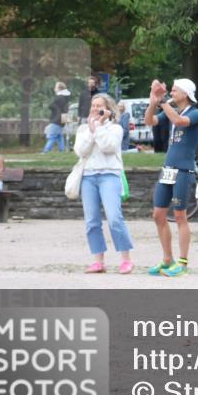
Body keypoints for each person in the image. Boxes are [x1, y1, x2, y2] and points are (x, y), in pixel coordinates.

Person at [144, 78, 198, 277]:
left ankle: (183, 262)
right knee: (158, 214)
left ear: (186, 93)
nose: (171, 92)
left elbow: (179, 122)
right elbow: (149, 121)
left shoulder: (196, 113)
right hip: (168, 169)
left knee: (180, 215)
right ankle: (167, 259)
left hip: (183, 170)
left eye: (175, 89)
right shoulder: (170, 110)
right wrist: (154, 102)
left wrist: (162, 102)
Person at [74, 93, 134, 274]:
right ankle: (98, 260)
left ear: (108, 110)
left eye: (99, 106)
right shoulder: (83, 129)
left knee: (114, 218)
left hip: (109, 175)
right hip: (88, 177)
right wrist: (92, 132)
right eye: (93, 105)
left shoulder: (115, 129)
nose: (95, 109)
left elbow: (108, 147)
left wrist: (99, 128)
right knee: (92, 220)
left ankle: (126, 259)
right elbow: (80, 151)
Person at [43, 81, 71, 153]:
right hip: (62, 119)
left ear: (59, 88)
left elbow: (51, 106)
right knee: (59, 136)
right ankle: (61, 151)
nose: (54, 89)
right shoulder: (66, 98)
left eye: (55, 87)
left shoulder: (59, 98)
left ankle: (45, 151)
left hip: (56, 119)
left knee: (51, 136)